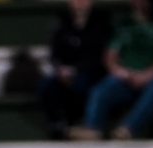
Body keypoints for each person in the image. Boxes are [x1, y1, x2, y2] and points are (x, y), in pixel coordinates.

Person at [73, 0, 153, 140]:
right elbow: (110, 57)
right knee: (102, 89)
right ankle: (93, 128)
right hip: (127, 78)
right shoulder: (124, 25)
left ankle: (127, 129)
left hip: (152, 77)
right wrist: (119, 71)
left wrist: (152, 72)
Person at [40, 0, 112, 139]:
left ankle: (87, 128)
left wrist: (76, 70)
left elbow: (100, 57)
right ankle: (58, 127)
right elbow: (54, 55)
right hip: (65, 73)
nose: (80, 3)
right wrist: (61, 69)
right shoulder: (62, 24)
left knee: (84, 84)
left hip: (92, 72)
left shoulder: (101, 23)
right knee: (47, 85)